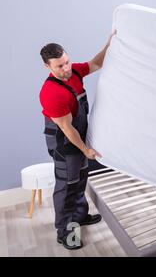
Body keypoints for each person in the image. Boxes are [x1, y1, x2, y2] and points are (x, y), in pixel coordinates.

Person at [39, 32, 115, 250]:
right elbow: (66, 127)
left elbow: (94, 64)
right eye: (59, 67)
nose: (66, 69)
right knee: (67, 186)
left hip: (77, 136)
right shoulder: (51, 92)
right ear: (48, 67)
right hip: (65, 142)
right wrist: (86, 150)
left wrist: (109, 45)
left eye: (67, 62)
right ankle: (65, 232)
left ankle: (79, 216)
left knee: (81, 178)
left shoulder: (73, 73)